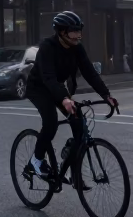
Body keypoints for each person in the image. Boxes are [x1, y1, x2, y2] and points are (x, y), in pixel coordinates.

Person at [24, 11, 118, 181]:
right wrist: (64, 99)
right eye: (74, 31)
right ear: (62, 32)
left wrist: (106, 95)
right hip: (39, 88)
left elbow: (90, 72)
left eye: (79, 30)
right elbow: (49, 78)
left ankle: (73, 168)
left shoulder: (77, 48)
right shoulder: (47, 47)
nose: (79, 35)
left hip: (57, 88)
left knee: (79, 125)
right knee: (50, 122)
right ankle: (36, 161)